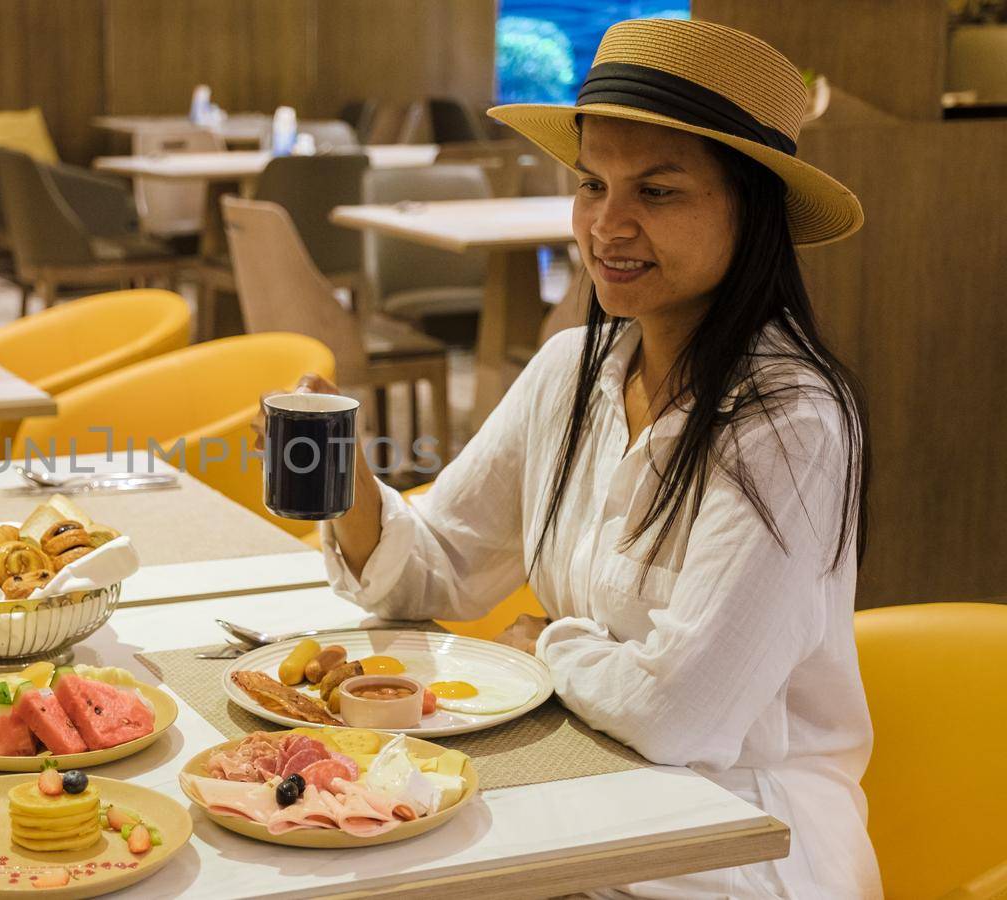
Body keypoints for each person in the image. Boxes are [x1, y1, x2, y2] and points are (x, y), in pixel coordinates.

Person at [295, 18, 880, 898]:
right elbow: (444, 570)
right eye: (591, 185)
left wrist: (544, 646)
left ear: (750, 209)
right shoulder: (575, 368)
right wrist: (349, 488)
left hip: (733, 847)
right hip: (584, 789)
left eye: (658, 191)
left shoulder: (789, 423)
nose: (607, 225)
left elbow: (684, 713)